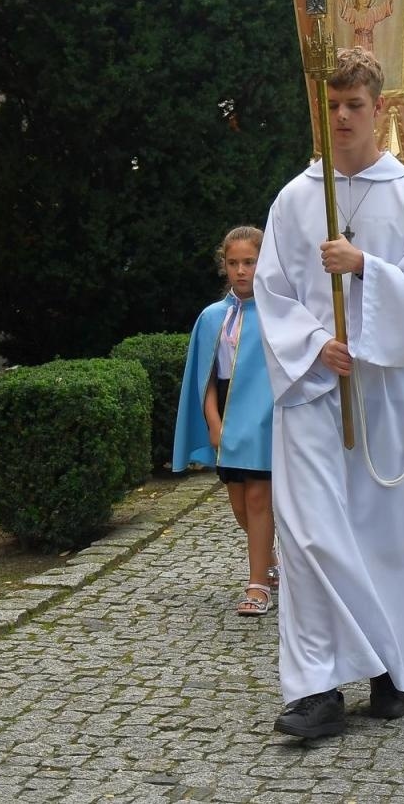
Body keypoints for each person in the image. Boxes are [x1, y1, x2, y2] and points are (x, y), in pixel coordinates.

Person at [254, 48, 404, 738]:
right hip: (314, 390)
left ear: (380, 109)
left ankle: (390, 668)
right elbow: (272, 291)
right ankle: (318, 688)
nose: (344, 117)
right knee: (312, 536)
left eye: (356, 105)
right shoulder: (296, 198)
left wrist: (365, 269)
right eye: (333, 106)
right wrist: (312, 345)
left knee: (389, 537)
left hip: (385, 396)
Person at [172, 226, 277, 615]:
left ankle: (257, 586)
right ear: (223, 266)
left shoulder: (277, 313)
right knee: (239, 506)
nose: (241, 270)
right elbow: (206, 380)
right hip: (229, 421)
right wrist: (214, 424)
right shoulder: (212, 317)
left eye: (249, 262)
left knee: (257, 497)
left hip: (264, 423)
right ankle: (271, 560)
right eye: (233, 263)